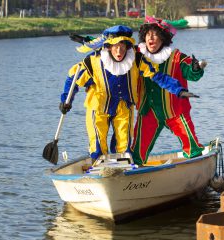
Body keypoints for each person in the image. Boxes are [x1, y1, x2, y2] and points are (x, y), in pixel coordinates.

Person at [60, 25, 197, 161]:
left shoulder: (136, 59)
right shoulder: (93, 61)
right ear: (108, 47)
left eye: (122, 46)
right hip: (98, 106)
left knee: (124, 146)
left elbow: (158, 76)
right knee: (98, 145)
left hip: (124, 107)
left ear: (127, 46)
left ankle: (122, 171)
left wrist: (179, 90)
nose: (119, 51)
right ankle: (99, 169)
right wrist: (66, 100)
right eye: (115, 46)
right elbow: (72, 80)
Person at [131, 16, 207, 165]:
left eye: (155, 34)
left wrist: (196, 68)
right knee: (138, 150)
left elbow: (191, 72)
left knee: (191, 144)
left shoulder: (176, 57)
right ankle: (134, 174)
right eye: (148, 34)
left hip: (175, 110)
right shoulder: (136, 56)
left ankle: (198, 168)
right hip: (148, 110)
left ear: (163, 38)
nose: (151, 38)